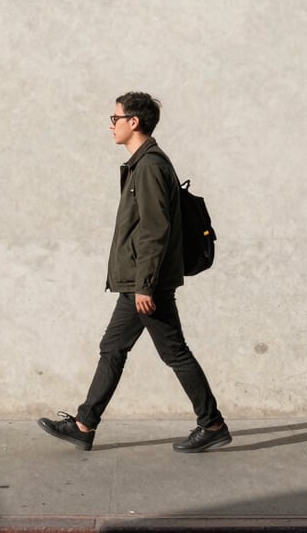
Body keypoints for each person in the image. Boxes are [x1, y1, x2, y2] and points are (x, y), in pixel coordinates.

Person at [38, 91, 230, 453]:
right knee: (113, 348)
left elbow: (154, 230)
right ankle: (84, 424)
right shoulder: (142, 165)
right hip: (140, 281)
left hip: (147, 284)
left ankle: (212, 423)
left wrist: (145, 285)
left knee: (173, 352)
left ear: (133, 122)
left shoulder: (150, 166)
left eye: (115, 119)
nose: (111, 126)